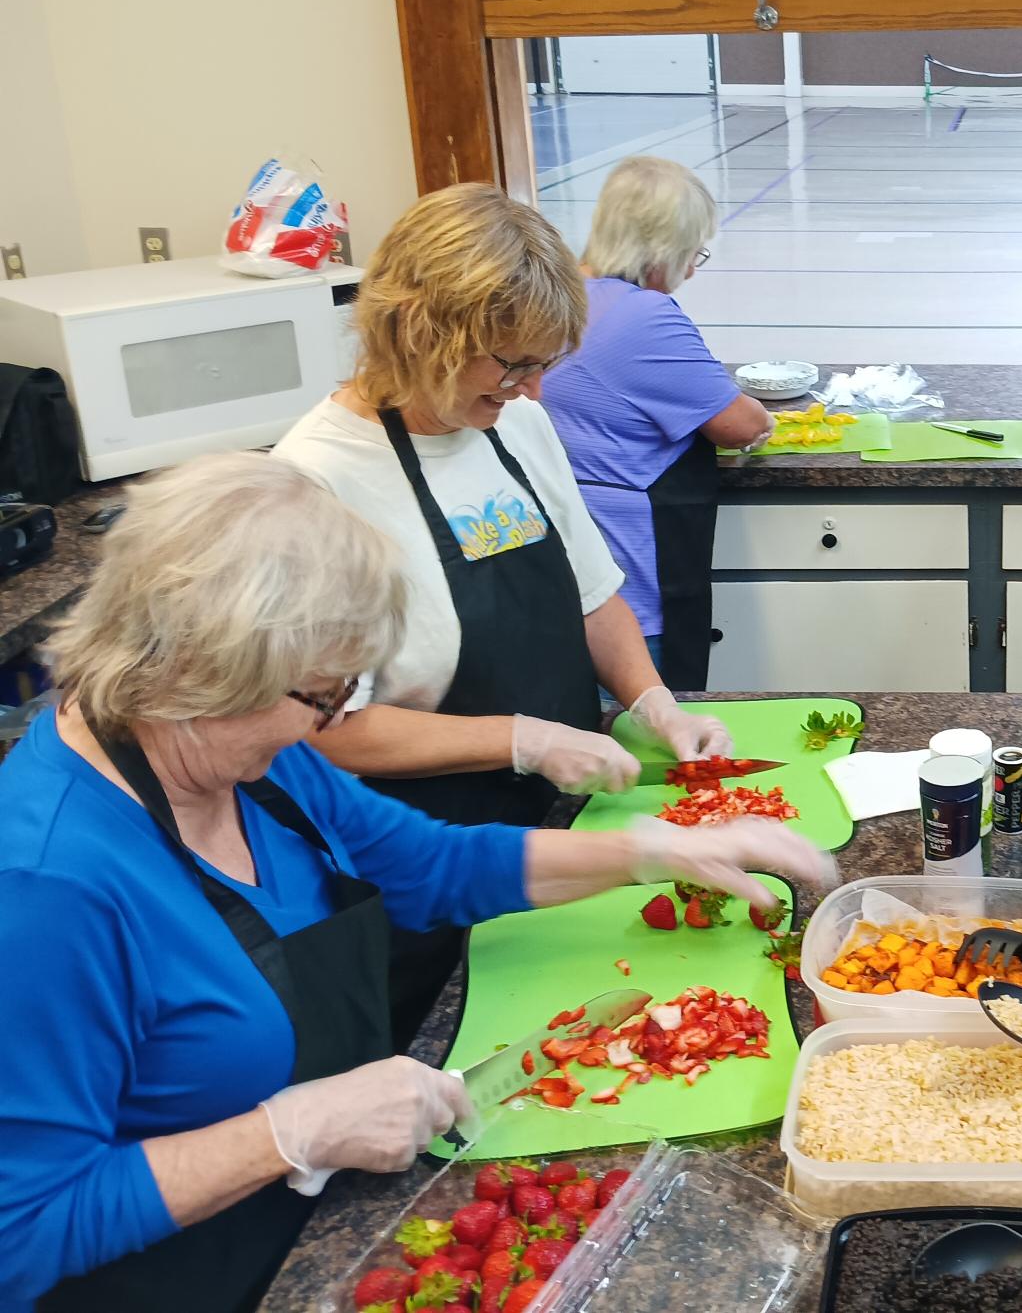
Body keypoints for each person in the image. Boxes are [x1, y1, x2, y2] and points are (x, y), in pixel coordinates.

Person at [0, 452, 831, 1311]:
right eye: (321, 694)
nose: (332, 722)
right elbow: (17, 1229)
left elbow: (432, 868)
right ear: (208, 672)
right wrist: (289, 1133)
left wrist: (652, 853)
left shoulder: (257, 763)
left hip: (328, 1236)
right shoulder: (44, 890)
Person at [274, 183, 730, 1043]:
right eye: (510, 363)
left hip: (557, 822)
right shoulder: (317, 480)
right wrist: (524, 738)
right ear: (417, 330)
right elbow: (325, 728)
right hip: (416, 855)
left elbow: (591, 591)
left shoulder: (515, 423)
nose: (530, 388)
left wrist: (651, 701)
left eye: (543, 364)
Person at [544, 158, 773, 690]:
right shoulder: (643, 316)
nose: (692, 270)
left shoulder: (556, 294)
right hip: (629, 582)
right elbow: (742, 424)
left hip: (560, 578)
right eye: (693, 253)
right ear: (663, 249)